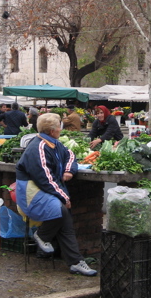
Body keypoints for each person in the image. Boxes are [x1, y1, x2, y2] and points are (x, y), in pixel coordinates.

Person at [15, 113, 97, 276]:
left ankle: (75, 261)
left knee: (64, 216)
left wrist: (69, 170)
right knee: (61, 211)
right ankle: (43, 235)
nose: (61, 129)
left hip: (44, 189)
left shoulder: (54, 144)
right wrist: (63, 196)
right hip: (30, 193)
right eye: (59, 126)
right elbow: (45, 178)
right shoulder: (37, 147)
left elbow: (71, 155)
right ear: (52, 131)